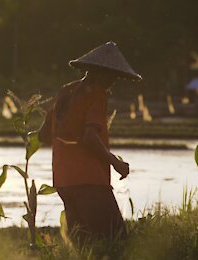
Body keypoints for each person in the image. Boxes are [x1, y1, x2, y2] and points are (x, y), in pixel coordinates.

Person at [39, 42, 142, 243]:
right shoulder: (96, 93)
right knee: (115, 241)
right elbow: (89, 138)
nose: (113, 81)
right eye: (112, 76)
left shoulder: (64, 92)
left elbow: (43, 135)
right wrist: (116, 163)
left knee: (85, 247)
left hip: (63, 181)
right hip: (90, 181)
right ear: (99, 72)